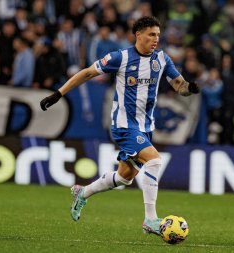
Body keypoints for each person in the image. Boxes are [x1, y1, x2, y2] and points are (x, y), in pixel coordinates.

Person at [40, 16, 199, 235]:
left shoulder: (161, 59)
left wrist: (191, 88)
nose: (156, 39)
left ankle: (82, 193)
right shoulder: (121, 57)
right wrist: (59, 93)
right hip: (124, 125)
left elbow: (179, 85)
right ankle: (150, 220)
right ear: (138, 34)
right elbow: (87, 73)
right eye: (152, 34)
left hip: (145, 127)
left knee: (125, 176)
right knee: (154, 160)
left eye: (158, 35)